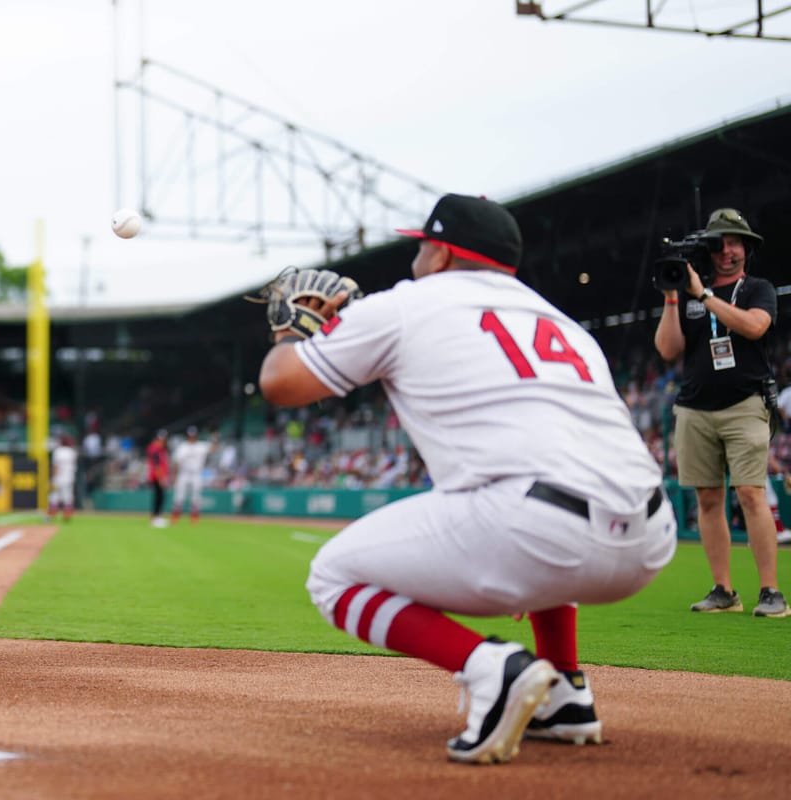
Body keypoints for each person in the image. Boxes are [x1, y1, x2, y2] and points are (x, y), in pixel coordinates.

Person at [258, 194, 677, 765]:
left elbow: (281, 385)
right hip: (650, 539)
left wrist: (292, 328)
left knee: (331, 575)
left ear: (444, 254)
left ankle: (491, 669)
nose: (418, 255)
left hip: (536, 527)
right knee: (544, 494)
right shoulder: (560, 322)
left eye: (424, 244)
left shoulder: (406, 304)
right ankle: (567, 693)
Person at [653, 207, 789, 618]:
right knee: (708, 498)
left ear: (746, 248)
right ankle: (723, 590)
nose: (726, 251)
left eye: (734, 243)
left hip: (745, 402)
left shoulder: (757, 288)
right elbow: (668, 349)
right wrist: (674, 296)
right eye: (719, 244)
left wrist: (706, 296)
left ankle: (771, 592)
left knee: (749, 492)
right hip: (695, 406)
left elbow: (754, 327)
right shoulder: (693, 295)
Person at [170, 426, 213, 523]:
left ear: (196, 436)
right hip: (184, 473)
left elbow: (213, 449)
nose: (192, 437)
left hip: (196, 473)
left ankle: (194, 516)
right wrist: (175, 475)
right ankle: (176, 515)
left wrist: (214, 437)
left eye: (194, 435)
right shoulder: (183, 446)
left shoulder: (201, 446)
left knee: (196, 496)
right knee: (179, 495)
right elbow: (176, 462)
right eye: (190, 435)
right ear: (187, 436)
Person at [49, 434, 79, 521]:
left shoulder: (58, 451)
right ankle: (67, 515)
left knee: (54, 496)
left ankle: (51, 515)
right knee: (68, 497)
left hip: (59, 478)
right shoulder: (72, 452)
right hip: (69, 478)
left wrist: (52, 478)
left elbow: (56, 467)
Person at [146, 429, 170, 527]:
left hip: (160, 476)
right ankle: (156, 518)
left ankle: (157, 517)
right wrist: (161, 478)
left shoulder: (160, 449)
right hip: (157, 477)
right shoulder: (154, 449)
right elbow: (157, 465)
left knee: (160, 497)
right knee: (158, 497)